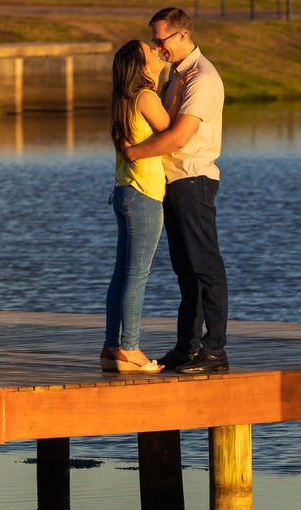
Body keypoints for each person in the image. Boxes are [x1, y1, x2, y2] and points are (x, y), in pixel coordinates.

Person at [124, 7, 229, 374]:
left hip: (193, 180)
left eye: (160, 39)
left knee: (205, 267)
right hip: (172, 182)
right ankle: (188, 346)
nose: (157, 46)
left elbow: (181, 135)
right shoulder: (174, 77)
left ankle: (214, 350)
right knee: (185, 269)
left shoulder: (203, 78)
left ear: (182, 35)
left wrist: (134, 152)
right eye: (154, 40)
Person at [101, 40, 171, 374]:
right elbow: (173, 132)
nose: (159, 53)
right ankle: (129, 348)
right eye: (151, 53)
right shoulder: (145, 98)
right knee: (136, 276)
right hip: (144, 194)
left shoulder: (123, 101)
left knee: (122, 274)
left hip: (125, 192)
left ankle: (111, 347)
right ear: (142, 68)